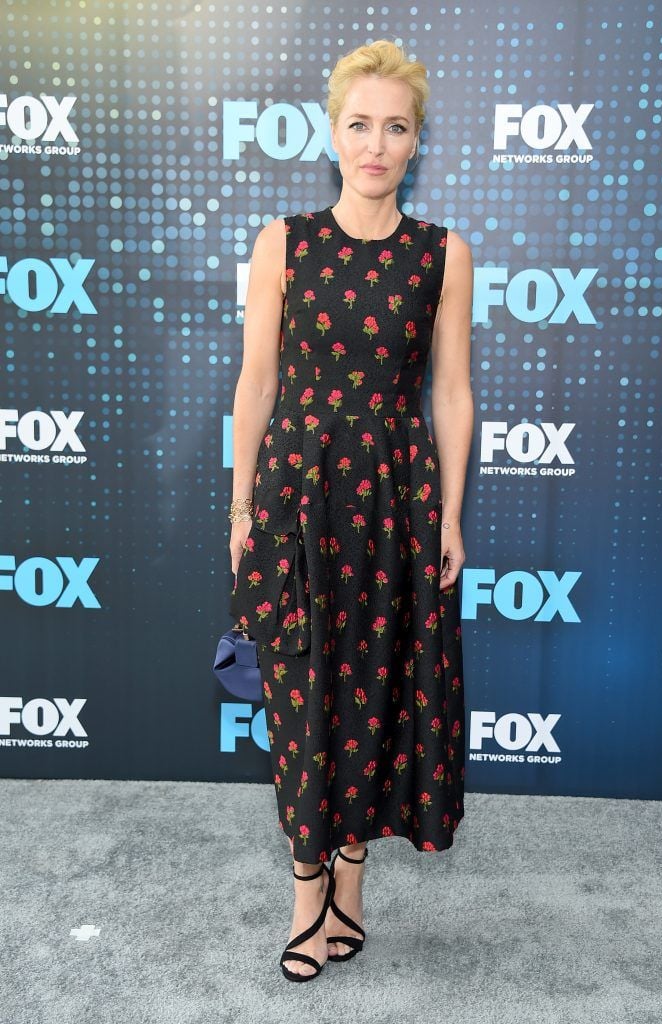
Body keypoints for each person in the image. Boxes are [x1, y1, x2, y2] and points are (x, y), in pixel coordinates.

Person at [228, 39, 473, 982]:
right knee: (300, 691)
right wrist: (241, 507)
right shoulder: (282, 242)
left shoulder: (442, 254)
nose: (376, 144)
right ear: (333, 134)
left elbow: (451, 394)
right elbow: (255, 385)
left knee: (379, 682)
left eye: (396, 127)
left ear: (417, 141)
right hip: (297, 493)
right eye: (359, 124)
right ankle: (305, 896)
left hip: (398, 502)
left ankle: (353, 891)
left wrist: (451, 514)